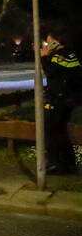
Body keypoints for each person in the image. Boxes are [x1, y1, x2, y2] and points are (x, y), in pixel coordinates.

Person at [40, 28, 81, 175]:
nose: (47, 44)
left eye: (49, 42)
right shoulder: (70, 54)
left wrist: (44, 57)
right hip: (69, 99)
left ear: (56, 42)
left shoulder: (60, 56)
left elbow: (50, 72)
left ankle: (58, 164)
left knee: (50, 131)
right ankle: (68, 164)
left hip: (60, 100)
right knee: (61, 132)